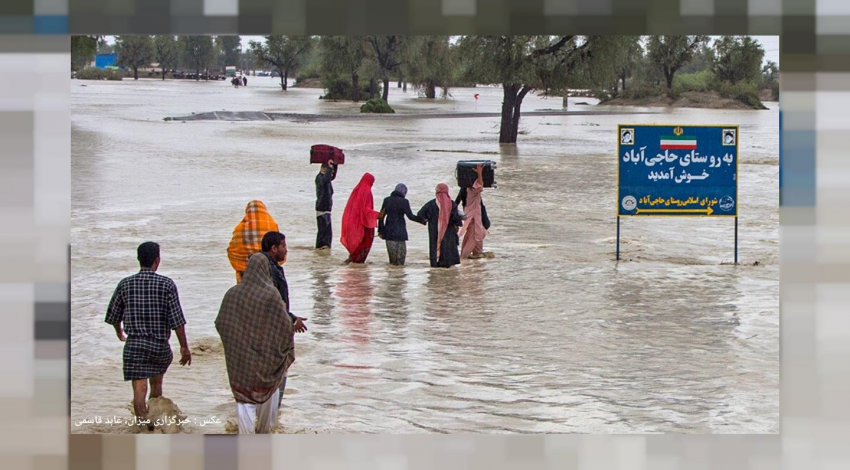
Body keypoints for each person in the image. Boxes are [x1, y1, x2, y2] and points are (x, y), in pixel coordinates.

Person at [105, 242, 191, 421]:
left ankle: (142, 425)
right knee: (156, 384)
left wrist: (119, 332)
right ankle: (155, 419)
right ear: (157, 260)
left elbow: (113, 315)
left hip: (134, 345)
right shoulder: (167, 284)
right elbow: (177, 320)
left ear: (138, 259)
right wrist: (184, 347)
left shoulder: (125, 284)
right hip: (159, 346)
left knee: (139, 388)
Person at [216, 253, 294, 434]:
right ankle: (265, 436)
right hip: (266, 359)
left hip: (241, 360)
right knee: (268, 397)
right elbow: (284, 326)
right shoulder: (272, 295)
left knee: (244, 402)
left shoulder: (232, 294)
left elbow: (221, 323)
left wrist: (235, 343)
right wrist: (277, 347)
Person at [259, 231, 308, 407]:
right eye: (283, 246)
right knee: (278, 371)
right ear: (274, 248)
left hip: (266, 328)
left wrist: (291, 317)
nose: (286, 250)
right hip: (272, 330)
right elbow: (273, 303)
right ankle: (273, 412)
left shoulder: (263, 266)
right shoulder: (270, 269)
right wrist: (291, 320)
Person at [227, 200, 279, 282]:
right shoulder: (272, 225)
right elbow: (278, 249)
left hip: (246, 272)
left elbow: (232, 250)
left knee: (247, 293)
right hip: (268, 270)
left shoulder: (239, 229)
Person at [417, 183, 463, 268]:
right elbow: (456, 219)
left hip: (434, 230)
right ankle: (446, 266)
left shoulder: (431, 204)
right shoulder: (452, 204)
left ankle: (435, 264)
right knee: (447, 247)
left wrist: (426, 220)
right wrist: (458, 223)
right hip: (449, 231)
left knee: (434, 246)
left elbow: (420, 214)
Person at [377, 183, 423, 266]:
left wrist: (380, 231)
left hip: (389, 233)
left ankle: (392, 277)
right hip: (400, 233)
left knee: (392, 262)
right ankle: (400, 278)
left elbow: (381, 216)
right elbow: (411, 217)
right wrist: (422, 220)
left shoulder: (387, 200)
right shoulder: (404, 202)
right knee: (400, 262)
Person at [341, 173, 380, 264]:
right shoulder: (367, 192)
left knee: (357, 243)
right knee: (363, 244)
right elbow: (366, 211)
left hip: (354, 222)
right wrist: (378, 215)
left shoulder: (356, 190)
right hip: (363, 224)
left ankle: (352, 259)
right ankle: (357, 263)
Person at [458, 164, 489, 260]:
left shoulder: (465, 189)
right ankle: (464, 257)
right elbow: (479, 186)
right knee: (474, 236)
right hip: (474, 216)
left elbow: (456, 201)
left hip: (469, 215)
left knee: (472, 235)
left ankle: (477, 253)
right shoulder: (473, 191)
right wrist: (479, 173)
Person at [315, 159, 339, 249]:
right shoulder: (319, 178)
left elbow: (330, 177)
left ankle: (323, 251)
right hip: (322, 208)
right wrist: (330, 167)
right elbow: (326, 179)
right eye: (329, 171)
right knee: (323, 235)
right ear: (323, 169)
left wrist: (335, 166)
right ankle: (320, 250)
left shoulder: (326, 179)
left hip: (327, 209)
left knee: (327, 235)